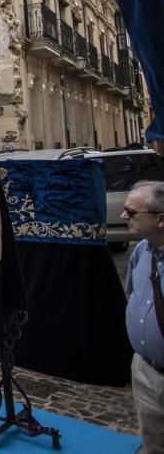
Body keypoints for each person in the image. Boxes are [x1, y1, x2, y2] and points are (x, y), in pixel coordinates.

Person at [122, 180, 164, 453]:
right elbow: (134, 294)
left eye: (132, 212)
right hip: (146, 370)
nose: (123, 216)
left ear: (160, 219)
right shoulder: (141, 252)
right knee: (153, 439)